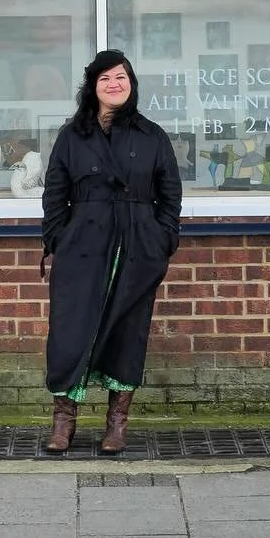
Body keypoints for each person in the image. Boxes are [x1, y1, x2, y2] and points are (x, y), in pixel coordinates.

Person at [40, 49, 182, 455]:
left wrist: (163, 238)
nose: (114, 84)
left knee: (126, 332)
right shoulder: (72, 136)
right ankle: (63, 422)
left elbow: (170, 194)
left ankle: (117, 425)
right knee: (69, 332)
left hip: (137, 248)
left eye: (121, 77)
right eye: (105, 79)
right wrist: (58, 238)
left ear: (131, 84)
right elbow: (55, 194)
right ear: (93, 87)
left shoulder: (151, 135)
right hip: (82, 246)